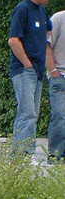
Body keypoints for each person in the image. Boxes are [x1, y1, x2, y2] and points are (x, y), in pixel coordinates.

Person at [8, 0, 53, 156]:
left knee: (33, 113)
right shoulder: (23, 9)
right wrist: (27, 63)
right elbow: (13, 40)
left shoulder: (41, 11)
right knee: (27, 113)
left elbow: (48, 38)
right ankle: (21, 154)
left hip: (38, 71)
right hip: (24, 70)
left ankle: (24, 152)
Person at [48, 10, 65, 160]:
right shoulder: (58, 18)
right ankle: (56, 156)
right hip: (60, 76)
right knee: (60, 116)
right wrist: (53, 70)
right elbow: (47, 45)